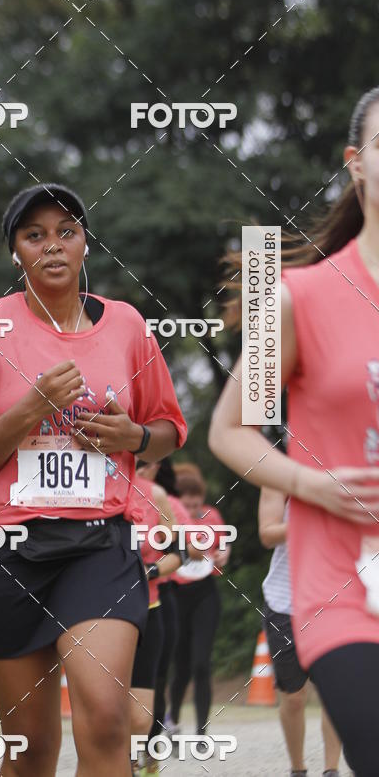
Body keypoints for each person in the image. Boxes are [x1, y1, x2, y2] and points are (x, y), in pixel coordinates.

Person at [0, 183, 188, 777]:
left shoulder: (126, 325)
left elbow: (171, 428)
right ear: (14, 252)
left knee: (104, 715)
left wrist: (134, 439)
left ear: (85, 245)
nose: (52, 246)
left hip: (99, 543)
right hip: (6, 548)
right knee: (33, 748)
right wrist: (29, 410)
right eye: (34, 235)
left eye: (66, 231)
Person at [209, 87, 379, 776]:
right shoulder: (299, 298)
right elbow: (230, 430)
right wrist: (312, 483)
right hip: (342, 585)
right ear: (356, 164)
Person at [259, 487, 341, 777]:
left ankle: (331, 769)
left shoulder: (347, 474)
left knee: (334, 692)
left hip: (335, 600)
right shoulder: (276, 478)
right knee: (293, 697)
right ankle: (298, 768)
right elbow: (267, 534)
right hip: (285, 601)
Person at [129, 458, 200, 777]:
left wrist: (149, 571)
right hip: (99, 614)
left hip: (150, 607)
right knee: (105, 706)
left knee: (141, 712)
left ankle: (139, 758)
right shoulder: (93, 493)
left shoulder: (154, 495)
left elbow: (179, 553)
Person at [165, 464, 229, 748]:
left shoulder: (211, 516)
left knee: (201, 663)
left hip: (205, 594)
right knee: (181, 667)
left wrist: (224, 554)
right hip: (176, 594)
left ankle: (202, 733)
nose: (191, 503)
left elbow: (224, 545)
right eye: (185, 496)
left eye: (196, 497)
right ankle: (173, 722)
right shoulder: (169, 517)